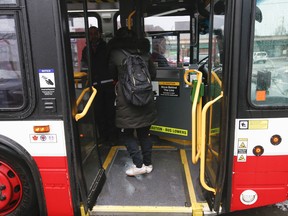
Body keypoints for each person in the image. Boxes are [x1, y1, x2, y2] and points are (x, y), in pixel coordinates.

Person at [107, 27, 157, 176]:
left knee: (127, 134)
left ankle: (138, 164)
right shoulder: (145, 53)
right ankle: (148, 164)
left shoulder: (115, 54)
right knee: (144, 133)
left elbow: (111, 74)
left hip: (126, 100)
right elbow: (152, 74)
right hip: (146, 99)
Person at [81, 26, 117, 145]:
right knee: (98, 112)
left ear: (99, 34)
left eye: (95, 33)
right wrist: (86, 79)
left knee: (110, 111)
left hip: (107, 83)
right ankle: (102, 136)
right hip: (94, 84)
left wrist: (113, 78)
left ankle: (112, 137)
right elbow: (84, 66)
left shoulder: (106, 48)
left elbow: (112, 64)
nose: (93, 36)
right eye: (91, 34)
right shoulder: (86, 50)